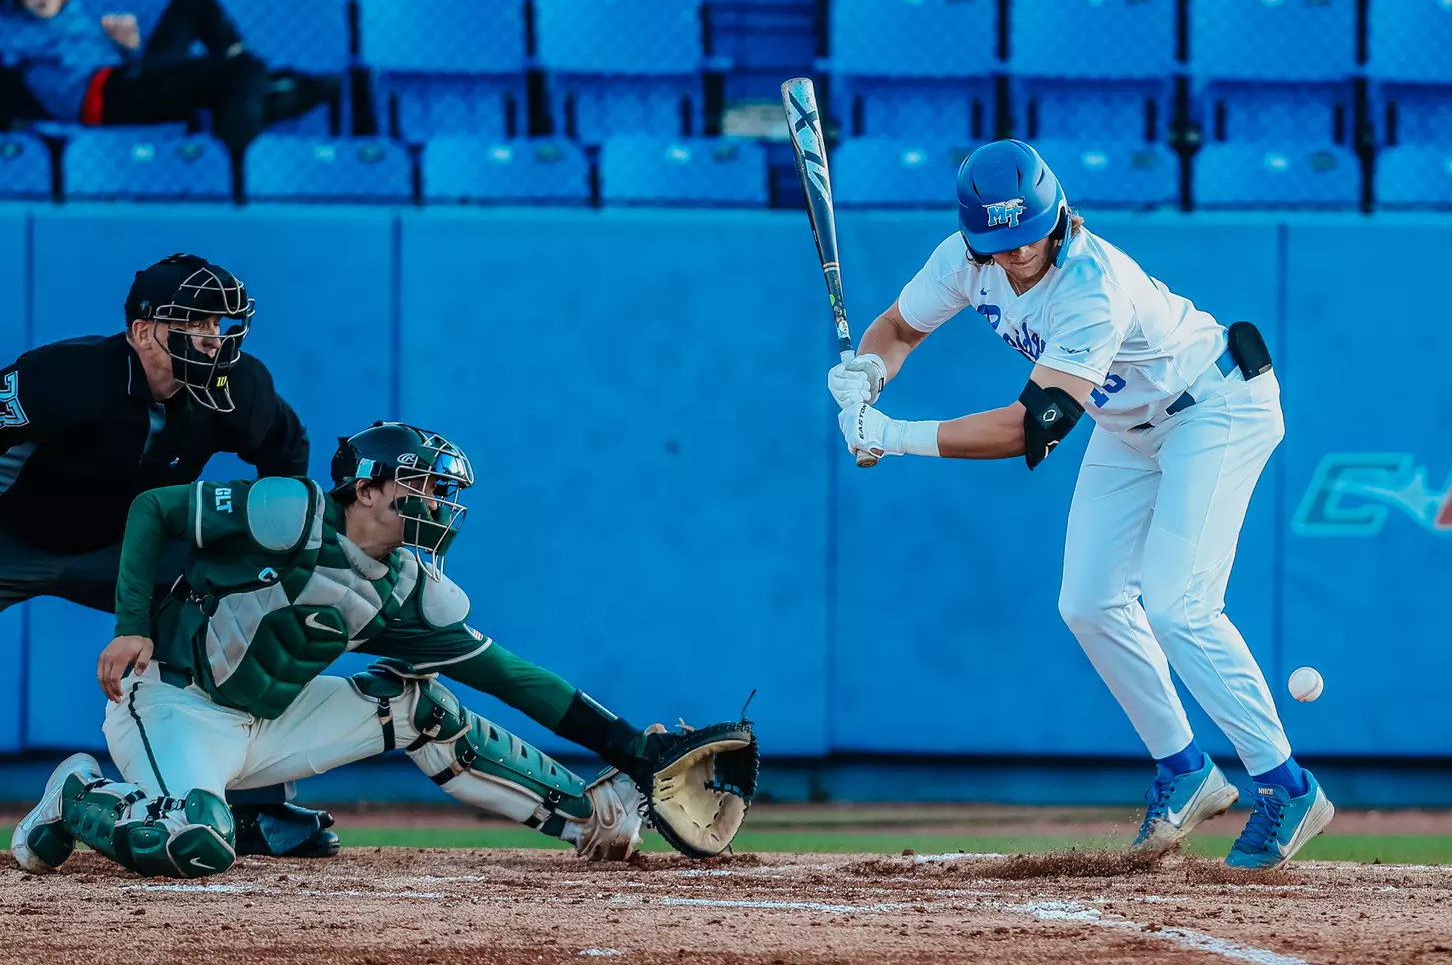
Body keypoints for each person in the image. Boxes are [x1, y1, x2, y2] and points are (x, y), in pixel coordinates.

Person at [826, 139, 1334, 869]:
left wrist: (896, 435)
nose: (1016, 256)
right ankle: (1185, 770)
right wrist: (869, 372)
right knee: (1089, 602)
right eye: (998, 244)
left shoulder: (1093, 285)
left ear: (1056, 214)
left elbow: (1032, 426)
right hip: (1128, 424)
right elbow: (899, 328)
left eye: (1027, 237)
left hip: (1214, 408)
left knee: (1178, 604)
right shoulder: (966, 259)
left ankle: (1286, 787)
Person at [9, 421, 757, 877]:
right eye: (421, 485)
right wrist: (130, 624)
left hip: (272, 723)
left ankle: (589, 817)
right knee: (201, 843)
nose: (436, 503)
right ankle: (78, 795)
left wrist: (628, 746)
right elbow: (153, 509)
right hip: (174, 701)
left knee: (418, 702)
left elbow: (511, 677)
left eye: (441, 490)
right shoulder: (288, 511)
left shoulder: (406, 589)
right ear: (366, 488)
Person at [0, 252, 336, 858]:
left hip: (137, 546)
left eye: (220, 326)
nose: (213, 339)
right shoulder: (65, 375)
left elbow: (287, 457)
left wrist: (266, 555)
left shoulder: (240, 389)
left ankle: (252, 807)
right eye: (196, 324)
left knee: (241, 612)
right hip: (14, 535)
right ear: (142, 332)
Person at [6, 0, 336, 153]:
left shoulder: (75, 14)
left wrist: (128, 45)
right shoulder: (16, 30)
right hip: (102, 97)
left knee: (194, 0)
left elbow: (114, 62)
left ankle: (255, 93)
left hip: (129, 80)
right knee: (244, 69)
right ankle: (239, 161)